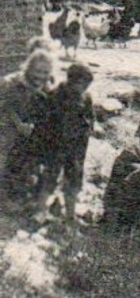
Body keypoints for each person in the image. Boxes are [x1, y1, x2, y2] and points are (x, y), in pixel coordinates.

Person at [34, 63, 94, 221]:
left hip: (76, 148)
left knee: (74, 180)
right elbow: (45, 123)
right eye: (83, 85)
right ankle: (40, 210)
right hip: (56, 146)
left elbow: (90, 118)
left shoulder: (85, 98)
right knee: (50, 176)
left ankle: (70, 214)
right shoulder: (55, 96)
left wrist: (87, 131)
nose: (85, 89)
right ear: (72, 81)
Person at [0, 50, 54, 204]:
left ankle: (22, 192)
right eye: (37, 71)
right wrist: (17, 123)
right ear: (29, 68)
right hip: (6, 126)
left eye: (45, 72)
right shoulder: (12, 84)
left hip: (28, 130)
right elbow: (5, 106)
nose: (41, 76)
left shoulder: (46, 88)